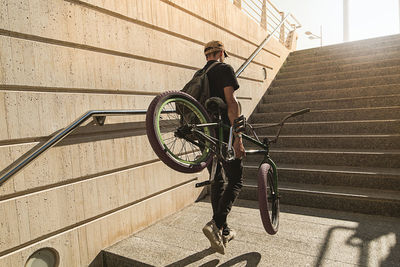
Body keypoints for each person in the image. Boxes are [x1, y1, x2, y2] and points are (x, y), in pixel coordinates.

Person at [200, 40, 245, 254]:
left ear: (206, 55)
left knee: (216, 179)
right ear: (221, 53)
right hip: (223, 133)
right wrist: (238, 138)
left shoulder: (200, 75)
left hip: (204, 134)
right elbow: (232, 103)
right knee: (235, 179)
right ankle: (216, 224)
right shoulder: (225, 69)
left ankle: (223, 231)